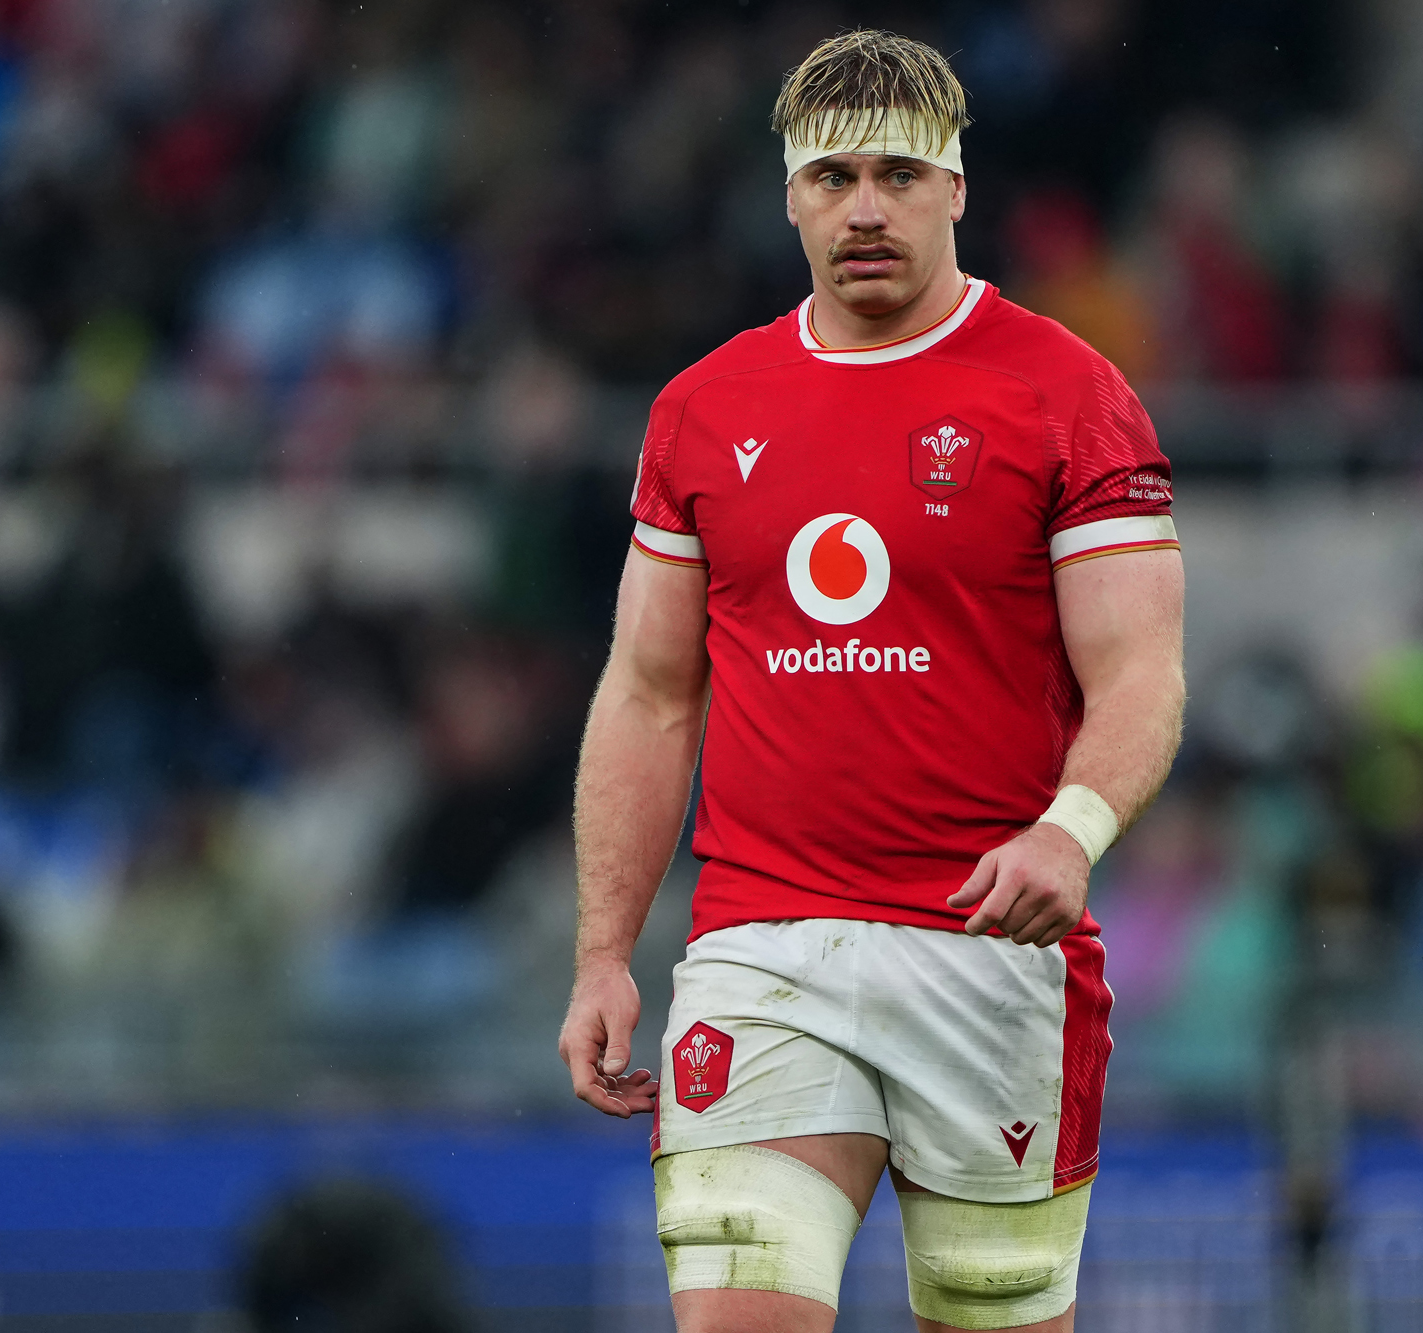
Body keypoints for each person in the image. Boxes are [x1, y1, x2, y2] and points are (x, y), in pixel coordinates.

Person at [558, 28, 1185, 1333]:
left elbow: (1140, 673)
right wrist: (605, 950)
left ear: (958, 187)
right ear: (787, 196)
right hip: (762, 950)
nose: (865, 208)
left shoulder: (1071, 397)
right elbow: (650, 692)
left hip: (991, 955)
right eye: (832, 177)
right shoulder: (701, 411)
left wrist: (1072, 834)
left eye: (899, 174)